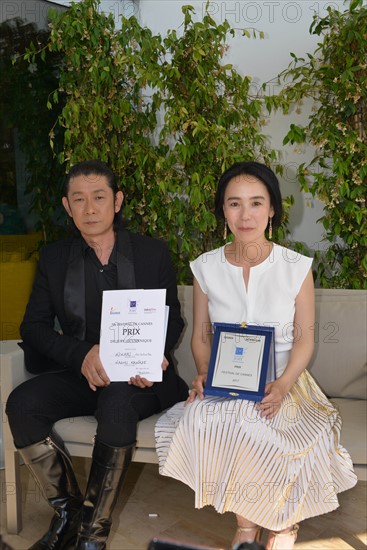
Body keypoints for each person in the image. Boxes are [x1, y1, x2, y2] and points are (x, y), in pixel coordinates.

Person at [155, 161, 357, 550]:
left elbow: (304, 342)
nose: (245, 215)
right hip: (225, 379)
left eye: (256, 203)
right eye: (234, 204)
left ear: (272, 211)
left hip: (286, 379)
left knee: (264, 424)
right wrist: (203, 373)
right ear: (223, 212)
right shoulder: (205, 267)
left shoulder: (296, 267)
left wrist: (282, 385)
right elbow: (202, 337)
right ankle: (247, 524)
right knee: (207, 418)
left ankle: (281, 522)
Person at [6, 160, 188, 550]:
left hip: (139, 381)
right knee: (21, 404)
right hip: (81, 373)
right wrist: (81, 354)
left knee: (118, 403)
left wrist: (152, 355)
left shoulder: (151, 253)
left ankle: (92, 536)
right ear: (67, 206)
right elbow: (33, 328)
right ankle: (68, 512)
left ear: (117, 201)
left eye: (99, 197)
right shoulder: (55, 258)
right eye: (79, 200)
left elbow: (171, 318)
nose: (90, 209)